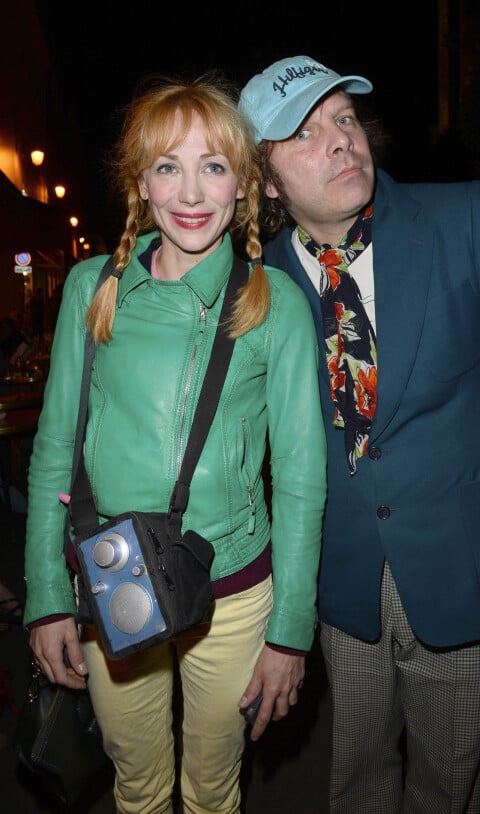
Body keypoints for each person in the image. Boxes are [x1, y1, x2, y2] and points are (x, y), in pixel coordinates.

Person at [239, 55, 480, 813]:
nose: (340, 142)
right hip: (342, 581)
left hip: (463, 566)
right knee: (355, 778)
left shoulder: (464, 218)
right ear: (263, 181)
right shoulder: (259, 287)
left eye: (345, 119)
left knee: (449, 783)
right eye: (303, 134)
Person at [23, 73, 327, 814]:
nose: (191, 192)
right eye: (168, 166)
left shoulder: (275, 303)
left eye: (213, 167)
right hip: (114, 579)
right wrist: (45, 596)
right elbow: (54, 450)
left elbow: (300, 476)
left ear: (244, 186)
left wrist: (290, 634)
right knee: (138, 785)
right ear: (141, 185)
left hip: (232, 595)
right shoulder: (93, 288)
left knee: (213, 788)